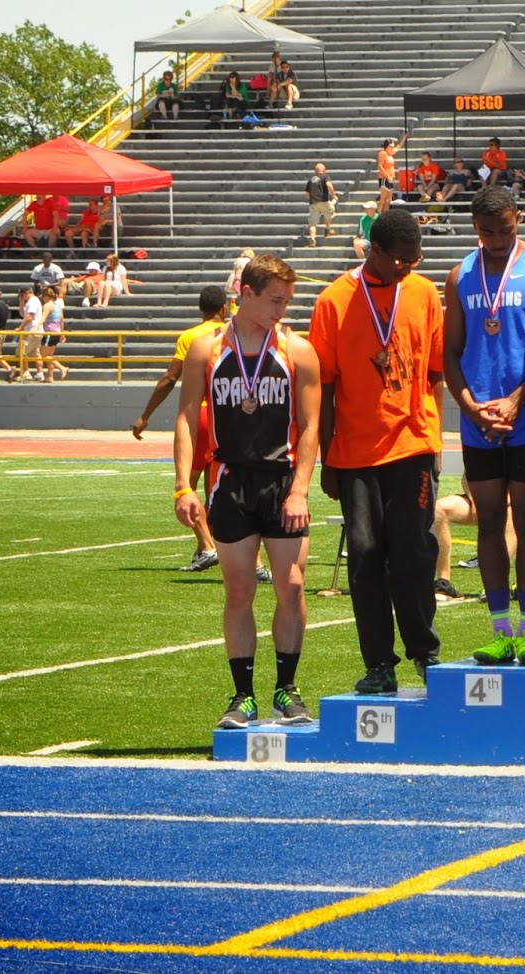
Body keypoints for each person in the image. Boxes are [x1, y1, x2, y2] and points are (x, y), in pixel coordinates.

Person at [172, 254, 319, 728]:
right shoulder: (206, 349)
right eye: (275, 300)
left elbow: (312, 426)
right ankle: (243, 696)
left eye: (287, 300)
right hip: (230, 480)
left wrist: (300, 491)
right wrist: (183, 486)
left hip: (282, 479)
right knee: (239, 590)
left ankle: (286, 689)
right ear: (246, 294)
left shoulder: (298, 350)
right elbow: (185, 418)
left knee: (291, 585)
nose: (283, 309)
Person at [310, 207, 445, 693]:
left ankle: (425, 652)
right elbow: (324, 387)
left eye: (416, 259)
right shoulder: (334, 301)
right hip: (355, 453)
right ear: (376, 251)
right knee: (365, 556)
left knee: (413, 552)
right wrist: (327, 457)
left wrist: (435, 440)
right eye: (402, 260)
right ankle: (379, 664)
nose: (409, 267)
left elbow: (435, 373)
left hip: (413, 445)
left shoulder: (424, 293)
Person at [444, 185, 525, 664]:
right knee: (489, 522)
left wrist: (515, 400)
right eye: (487, 232)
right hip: (479, 424)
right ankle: (499, 630)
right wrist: (470, 408)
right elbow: (450, 353)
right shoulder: (460, 275)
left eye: (505, 231)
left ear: (519, 220)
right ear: (475, 227)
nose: (495, 241)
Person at [133, 286, 232, 569]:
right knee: (218, 489)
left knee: (187, 486)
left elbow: (169, 378)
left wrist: (145, 416)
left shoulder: (191, 336)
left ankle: (207, 546)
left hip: (199, 416)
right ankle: (216, 547)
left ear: (201, 309)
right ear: (223, 309)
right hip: (226, 416)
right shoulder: (232, 334)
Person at [36, 285, 68, 381]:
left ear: (46, 296)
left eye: (43, 296)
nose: (42, 298)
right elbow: (61, 321)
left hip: (49, 332)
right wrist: (62, 333)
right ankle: (50, 376)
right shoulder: (58, 306)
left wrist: (36, 327)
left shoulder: (47, 306)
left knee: (44, 355)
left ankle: (62, 368)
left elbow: (43, 318)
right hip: (57, 332)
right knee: (50, 355)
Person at [15, 286, 44, 381]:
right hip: (36, 331)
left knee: (21, 352)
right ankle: (40, 373)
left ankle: (26, 372)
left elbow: (29, 317)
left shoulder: (32, 302)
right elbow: (22, 314)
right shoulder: (32, 302)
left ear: (27, 292)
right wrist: (21, 301)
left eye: (22, 295)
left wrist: (20, 327)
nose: (22, 297)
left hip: (31, 331)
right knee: (36, 353)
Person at [304, 162, 337, 247]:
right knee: (329, 213)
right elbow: (329, 185)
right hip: (323, 201)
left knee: (313, 223)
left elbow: (307, 194)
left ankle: (312, 240)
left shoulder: (310, 180)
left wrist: (312, 199)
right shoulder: (325, 176)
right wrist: (333, 195)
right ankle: (327, 229)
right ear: (324, 170)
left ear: (315, 171)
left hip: (313, 203)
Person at [376, 138, 398, 212]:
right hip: (384, 178)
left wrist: (403, 138)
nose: (392, 148)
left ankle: (385, 215)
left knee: (388, 199)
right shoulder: (383, 153)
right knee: (383, 199)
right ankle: (378, 215)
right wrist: (387, 176)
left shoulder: (390, 154)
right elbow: (380, 166)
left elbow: (398, 148)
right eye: (391, 146)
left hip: (390, 178)